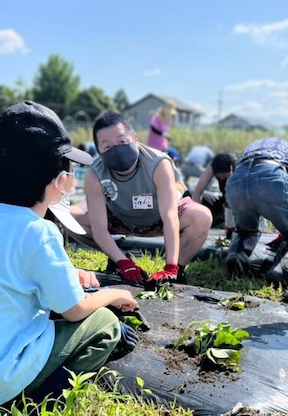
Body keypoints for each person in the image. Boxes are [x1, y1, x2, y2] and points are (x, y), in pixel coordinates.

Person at [0, 101, 140, 412]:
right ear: (61, 181)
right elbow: (73, 310)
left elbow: (12, 269)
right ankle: (44, 398)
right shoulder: (40, 232)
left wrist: (68, 275)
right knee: (105, 324)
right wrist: (114, 293)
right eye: (71, 168)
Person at [71, 111, 213, 287]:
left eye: (122, 141)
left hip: (158, 219)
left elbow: (170, 217)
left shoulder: (158, 163)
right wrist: (125, 264)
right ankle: (118, 258)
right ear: (98, 150)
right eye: (107, 146)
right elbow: (99, 229)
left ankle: (178, 270)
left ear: (135, 139)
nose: (116, 149)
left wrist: (171, 265)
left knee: (202, 217)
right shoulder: (94, 173)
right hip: (119, 219)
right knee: (69, 218)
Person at [224, 137, 288, 282]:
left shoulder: (254, 145)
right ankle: (281, 271)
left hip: (237, 180)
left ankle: (237, 258)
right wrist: (287, 231)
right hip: (271, 176)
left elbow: (246, 176)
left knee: (246, 230)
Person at [191, 152, 236, 231]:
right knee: (190, 193)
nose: (221, 179)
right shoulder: (213, 166)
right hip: (222, 201)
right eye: (219, 177)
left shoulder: (239, 169)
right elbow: (198, 191)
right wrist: (196, 216)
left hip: (238, 204)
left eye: (224, 177)